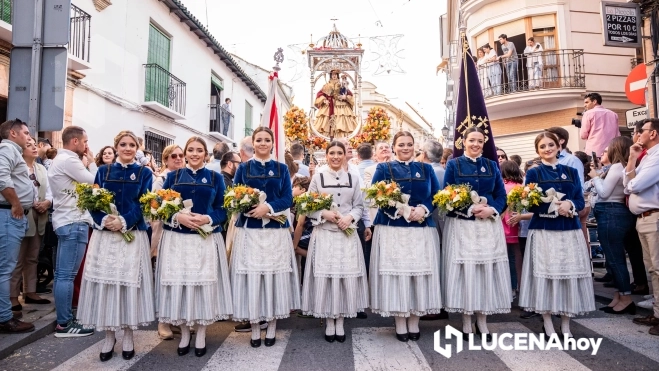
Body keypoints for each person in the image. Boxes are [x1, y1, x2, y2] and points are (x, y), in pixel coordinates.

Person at [78, 130, 154, 361]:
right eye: (123, 144)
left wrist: (124, 221)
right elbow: (93, 200)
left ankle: (129, 334)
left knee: (129, 286)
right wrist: (104, 220)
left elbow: (145, 204)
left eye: (132, 145)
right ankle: (109, 336)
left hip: (131, 235)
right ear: (116, 146)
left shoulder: (144, 172)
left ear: (137, 148)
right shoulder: (103, 171)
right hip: (106, 237)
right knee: (107, 285)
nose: (128, 148)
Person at [157, 136, 232, 357]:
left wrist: (207, 219)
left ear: (205, 154)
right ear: (185, 153)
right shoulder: (172, 177)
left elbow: (223, 209)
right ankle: (184, 332)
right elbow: (161, 207)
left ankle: (200, 332)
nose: (194, 154)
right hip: (177, 240)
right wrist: (177, 216)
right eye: (191, 150)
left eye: (199, 150)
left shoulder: (215, 178)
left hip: (204, 239)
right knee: (180, 285)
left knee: (201, 287)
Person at [518, 131, 595, 337]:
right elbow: (529, 203)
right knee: (547, 276)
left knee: (567, 276)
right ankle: (547, 322)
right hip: (544, 231)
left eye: (550, 145)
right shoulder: (534, 173)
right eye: (542, 146)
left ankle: (566, 323)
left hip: (569, 231)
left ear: (558, 146)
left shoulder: (570, 172)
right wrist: (552, 206)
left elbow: (579, 199)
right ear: (538, 151)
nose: (547, 149)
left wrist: (570, 204)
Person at [230, 127, 300, 347]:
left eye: (266, 140)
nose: (262, 143)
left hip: (274, 232)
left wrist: (267, 208)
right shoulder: (243, 168)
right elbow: (234, 195)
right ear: (254, 143)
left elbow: (287, 199)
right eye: (258, 140)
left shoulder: (280, 168)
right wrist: (249, 207)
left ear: (272, 143)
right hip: (249, 231)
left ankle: (271, 325)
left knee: (272, 276)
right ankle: (253, 326)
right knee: (252, 277)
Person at [369, 131, 442, 342]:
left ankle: (414, 321)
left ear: (415, 147)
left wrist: (423, 209)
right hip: (393, 228)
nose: (406, 148)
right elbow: (376, 196)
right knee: (398, 275)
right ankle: (400, 320)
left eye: (409, 144)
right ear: (394, 147)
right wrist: (400, 209)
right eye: (401, 144)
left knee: (418, 275)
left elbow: (435, 196)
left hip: (420, 229)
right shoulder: (383, 168)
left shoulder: (426, 168)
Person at [442, 127, 511, 340]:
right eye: (472, 140)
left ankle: (483, 320)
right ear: (463, 142)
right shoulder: (453, 164)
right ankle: (466, 320)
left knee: (484, 272)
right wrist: (470, 209)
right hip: (464, 227)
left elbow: (501, 195)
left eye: (480, 141)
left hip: (488, 226)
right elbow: (446, 194)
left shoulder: (491, 165)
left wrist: (493, 209)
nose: (475, 144)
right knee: (466, 273)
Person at [301, 141, 368, 343]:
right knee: (327, 277)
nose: (336, 156)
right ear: (327, 155)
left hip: (347, 233)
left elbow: (359, 206)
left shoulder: (354, 178)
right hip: (324, 233)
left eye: (340, 153)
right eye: (332, 153)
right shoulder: (318, 177)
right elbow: (306, 205)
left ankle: (341, 320)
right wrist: (324, 213)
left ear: (345, 155)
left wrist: (351, 218)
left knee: (344, 277)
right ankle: (329, 320)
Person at [48, 125, 97, 338]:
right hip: (74, 220)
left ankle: (66, 318)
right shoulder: (69, 160)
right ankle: (65, 323)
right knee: (67, 275)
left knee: (62, 275)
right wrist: (93, 162)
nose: (87, 146)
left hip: (65, 220)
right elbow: (95, 182)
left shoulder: (61, 160)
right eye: (85, 141)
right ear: (75, 141)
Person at [587, 136, 637, 314]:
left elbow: (604, 192)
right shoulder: (624, 167)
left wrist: (595, 178)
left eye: (608, 148)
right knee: (615, 258)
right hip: (617, 213)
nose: (604, 151)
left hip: (611, 212)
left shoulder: (617, 167)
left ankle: (625, 298)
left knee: (615, 259)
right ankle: (619, 295)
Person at [10, 137, 52, 318]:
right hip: (21, 213)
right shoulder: (16, 167)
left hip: (39, 214)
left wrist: (47, 203)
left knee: (33, 256)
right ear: (21, 150)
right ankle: (12, 296)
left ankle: (30, 291)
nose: (34, 148)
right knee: (17, 258)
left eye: (35, 145)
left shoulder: (41, 168)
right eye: (29, 145)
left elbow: (50, 190)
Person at [624, 118, 659, 336]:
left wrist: (631, 182)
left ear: (653, 133)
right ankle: (657, 312)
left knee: (658, 269)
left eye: (641, 131)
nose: (637, 134)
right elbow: (629, 185)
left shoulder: (657, 157)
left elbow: (634, 185)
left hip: (654, 218)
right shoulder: (646, 157)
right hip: (644, 219)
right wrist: (632, 158)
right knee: (652, 269)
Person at [0, 119, 35, 334]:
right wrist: (15, 203)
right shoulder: (7, 148)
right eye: (25, 133)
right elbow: (1, 177)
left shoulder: (11, 150)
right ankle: (4, 318)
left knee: (5, 268)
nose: (28, 137)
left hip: (10, 214)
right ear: (13, 133)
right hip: (8, 214)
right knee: (6, 269)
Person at [150, 144, 185, 341]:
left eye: (181, 155)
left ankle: (176, 319)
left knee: (179, 277)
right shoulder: (160, 180)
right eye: (174, 156)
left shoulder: (187, 177)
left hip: (182, 235)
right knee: (165, 277)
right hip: (163, 233)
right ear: (166, 160)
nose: (179, 159)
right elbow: (154, 208)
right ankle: (163, 322)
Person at [500, 160, 523, 298]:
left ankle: (507, 288)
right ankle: (516, 287)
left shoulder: (502, 186)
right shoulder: (520, 187)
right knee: (516, 258)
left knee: (505, 258)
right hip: (516, 224)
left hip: (503, 224)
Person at [313, 69, 358, 138]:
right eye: (333, 74)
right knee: (324, 124)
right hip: (329, 105)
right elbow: (320, 94)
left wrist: (345, 97)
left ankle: (342, 139)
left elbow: (349, 94)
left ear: (337, 76)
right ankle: (325, 139)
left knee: (342, 124)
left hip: (341, 105)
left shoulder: (342, 84)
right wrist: (324, 100)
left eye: (335, 74)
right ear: (331, 76)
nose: (334, 76)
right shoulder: (326, 85)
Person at [581, 92, 620, 158]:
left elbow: (583, 135)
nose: (584, 105)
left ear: (594, 102)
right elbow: (617, 135)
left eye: (587, 102)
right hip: (611, 151)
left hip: (593, 152)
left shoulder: (588, 113)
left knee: (594, 168)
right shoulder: (613, 114)